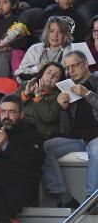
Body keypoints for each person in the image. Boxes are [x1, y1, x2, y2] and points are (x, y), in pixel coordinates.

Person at [41, 50, 98, 208]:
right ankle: (65, 198)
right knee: (43, 147)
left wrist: (88, 94)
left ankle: (92, 201)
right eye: (67, 67)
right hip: (77, 138)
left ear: (85, 64)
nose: (71, 70)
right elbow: (65, 130)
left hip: (96, 137)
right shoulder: (66, 87)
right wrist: (63, 109)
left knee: (97, 150)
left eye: (74, 65)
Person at [14, 15, 74, 81]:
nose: (55, 35)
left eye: (59, 32)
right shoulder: (34, 49)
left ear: (65, 35)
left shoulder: (71, 51)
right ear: (47, 33)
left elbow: (71, 74)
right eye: (52, 31)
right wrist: (37, 69)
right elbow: (21, 71)